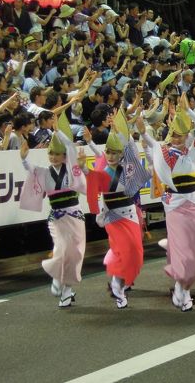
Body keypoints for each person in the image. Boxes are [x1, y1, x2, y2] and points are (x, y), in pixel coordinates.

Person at [138, 94, 195, 312]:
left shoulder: (194, 152)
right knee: (184, 250)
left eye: (181, 135)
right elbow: (145, 136)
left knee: (193, 249)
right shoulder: (163, 152)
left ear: (187, 136)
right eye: (174, 135)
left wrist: (190, 111)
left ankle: (182, 283)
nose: (177, 139)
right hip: (174, 204)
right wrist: (139, 120)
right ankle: (182, 290)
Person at [80, 114, 151, 308]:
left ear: (120, 154)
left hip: (129, 212)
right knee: (124, 249)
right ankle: (118, 287)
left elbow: (131, 152)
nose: (110, 156)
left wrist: (120, 132)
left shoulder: (128, 168)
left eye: (114, 153)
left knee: (136, 252)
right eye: (108, 153)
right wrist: (83, 166)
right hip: (112, 215)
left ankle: (117, 269)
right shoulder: (102, 171)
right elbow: (91, 176)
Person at [19, 115, 87, 307]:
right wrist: (24, 159)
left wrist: (58, 132)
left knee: (74, 255)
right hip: (57, 218)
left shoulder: (72, 169)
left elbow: (72, 149)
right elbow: (30, 170)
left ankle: (67, 290)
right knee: (61, 249)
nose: (53, 157)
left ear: (64, 156)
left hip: (75, 215)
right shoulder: (43, 172)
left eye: (57, 154)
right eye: (51, 154)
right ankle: (57, 279)